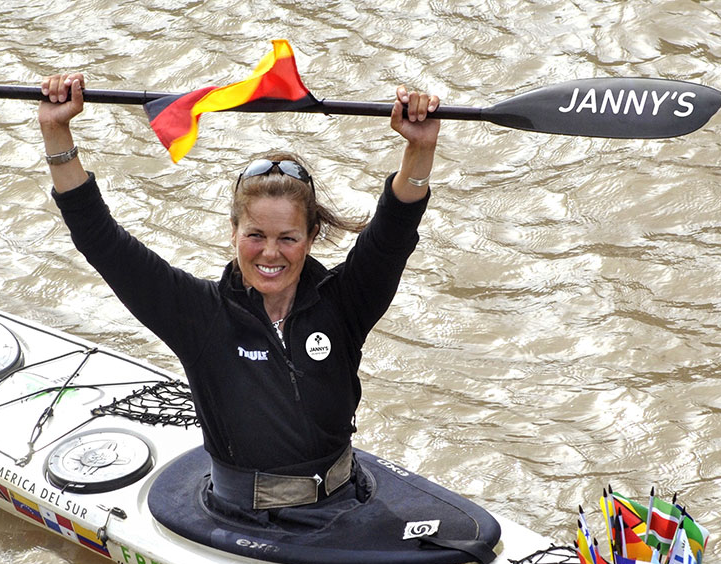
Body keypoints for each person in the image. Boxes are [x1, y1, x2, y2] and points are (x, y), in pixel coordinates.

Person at [38, 72, 441, 526]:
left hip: (346, 500)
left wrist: (419, 149)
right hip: (240, 519)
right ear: (233, 234)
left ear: (311, 237)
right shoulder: (197, 314)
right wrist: (57, 132)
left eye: (288, 237)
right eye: (255, 235)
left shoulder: (345, 302)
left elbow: (393, 233)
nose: (271, 253)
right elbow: (101, 241)